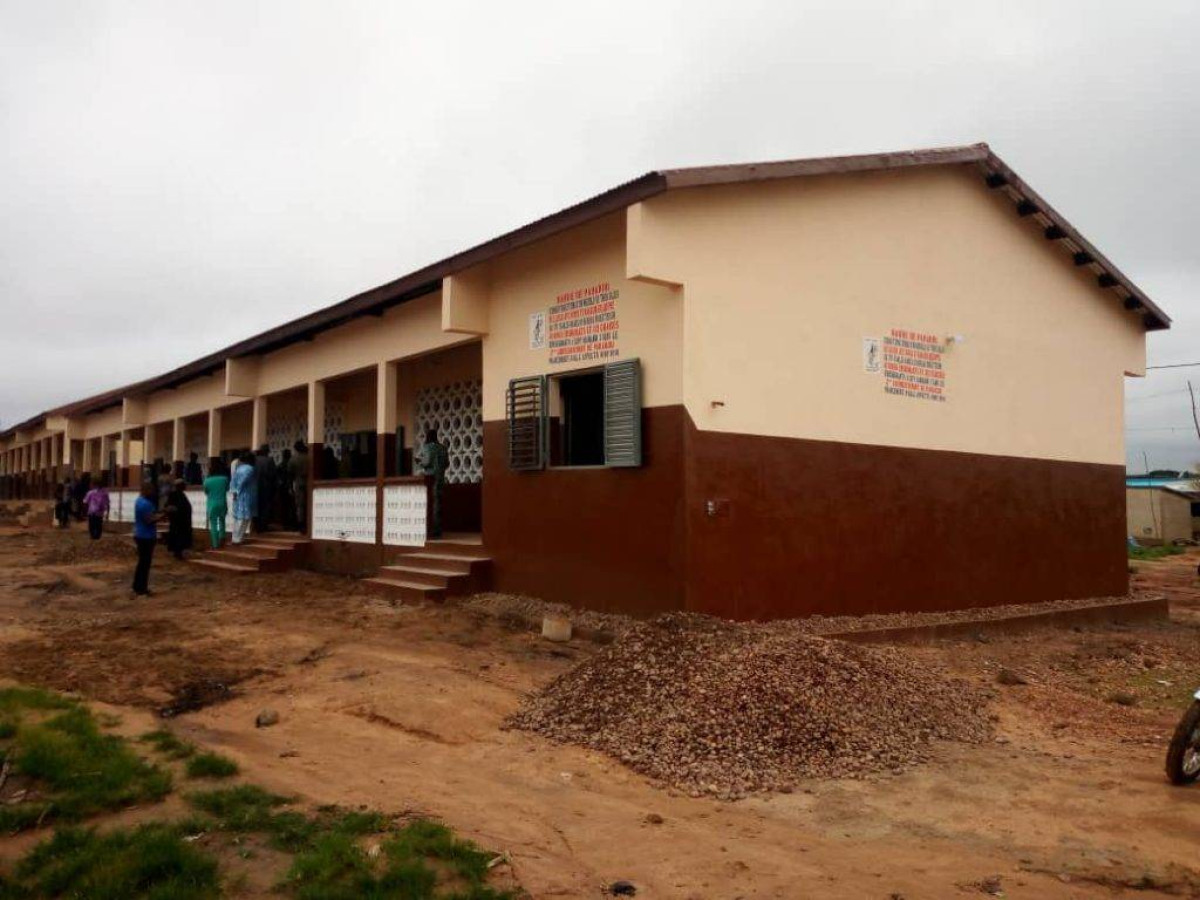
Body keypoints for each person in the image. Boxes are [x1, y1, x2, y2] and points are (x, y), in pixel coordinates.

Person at [416, 428, 449, 539]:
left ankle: (432, 530)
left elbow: (427, 461)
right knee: (438, 503)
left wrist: (419, 462)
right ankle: (438, 529)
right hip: (441, 478)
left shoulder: (427, 447)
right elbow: (447, 463)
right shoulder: (443, 448)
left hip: (430, 478)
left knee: (431, 503)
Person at [131, 483, 161, 597]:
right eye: (151, 490)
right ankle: (141, 588)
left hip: (140, 534)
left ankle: (137, 586)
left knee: (142, 563)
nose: (153, 492)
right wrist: (163, 516)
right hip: (146, 536)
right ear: (146, 490)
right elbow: (149, 520)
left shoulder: (139, 501)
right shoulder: (146, 504)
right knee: (145, 563)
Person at [230, 450, 257, 545]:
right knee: (244, 518)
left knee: (238, 517)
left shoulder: (238, 468)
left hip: (238, 496)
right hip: (246, 495)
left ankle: (235, 538)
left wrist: (234, 492)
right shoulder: (250, 469)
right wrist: (238, 490)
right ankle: (238, 539)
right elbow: (243, 481)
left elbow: (233, 482)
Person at [163, 479, 194, 560]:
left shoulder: (181, 495)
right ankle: (178, 553)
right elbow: (169, 507)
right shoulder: (174, 495)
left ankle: (179, 552)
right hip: (178, 521)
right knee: (179, 537)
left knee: (180, 537)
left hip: (181, 521)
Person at [203, 460, 230, 549]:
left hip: (212, 504)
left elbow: (206, 492)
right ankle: (222, 538)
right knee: (222, 521)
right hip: (222, 502)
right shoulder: (224, 479)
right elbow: (227, 489)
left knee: (214, 524)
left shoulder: (207, 481)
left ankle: (215, 544)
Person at [253, 445, 277, 532]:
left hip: (255, 487)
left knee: (257, 506)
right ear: (267, 451)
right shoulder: (269, 460)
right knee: (265, 507)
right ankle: (263, 526)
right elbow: (273, 475)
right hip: (266, 486)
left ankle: (257, 526)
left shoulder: (254, 460)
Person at [288, 441, 309, 532]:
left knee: (300, 505)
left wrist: (290, 487)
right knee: (308, 504)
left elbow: (289, 474)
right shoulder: (309, 457)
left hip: (298, 482)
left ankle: (301, 525)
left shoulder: (293, 459)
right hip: (309, 483)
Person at [279, 448, 295, 529]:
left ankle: (285, 524)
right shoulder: (291, 464)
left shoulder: (280, 465)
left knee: (284, 507)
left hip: (283, 488)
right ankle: (291, 523)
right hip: (290, 487)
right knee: (291, 506)